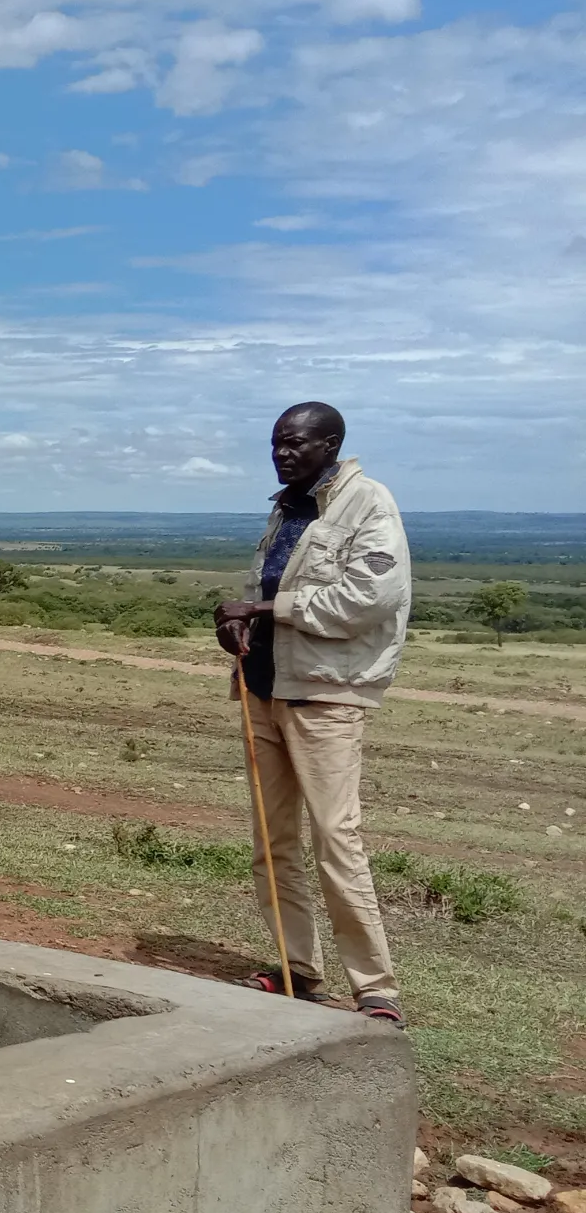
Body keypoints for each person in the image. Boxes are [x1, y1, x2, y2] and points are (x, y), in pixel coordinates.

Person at [213, 403, 409, 1024]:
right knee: (272, 842)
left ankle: (375, 988)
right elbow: (263, 590)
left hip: (326, 694)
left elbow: (368, 599)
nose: (282, 453)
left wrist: (265, 611)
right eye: (276, 443)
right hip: (263, 688)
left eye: (295, 443)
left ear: (331, 443)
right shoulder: (286, 508)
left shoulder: (368, 503)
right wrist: (236, 621)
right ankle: (297, 969)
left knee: (335, 838)